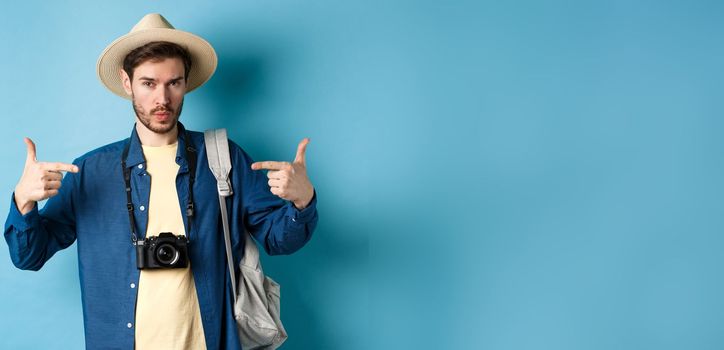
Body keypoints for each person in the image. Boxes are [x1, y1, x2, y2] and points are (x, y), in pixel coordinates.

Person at [4, 13, 318, 350]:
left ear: (186, 83)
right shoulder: (89, 173)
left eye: (174, 83)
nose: (162, 99)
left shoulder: (223, 159)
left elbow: (278, 240)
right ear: (127, 83)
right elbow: (29, 257)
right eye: (149, 83)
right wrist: (24, 201)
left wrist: (302, 202)